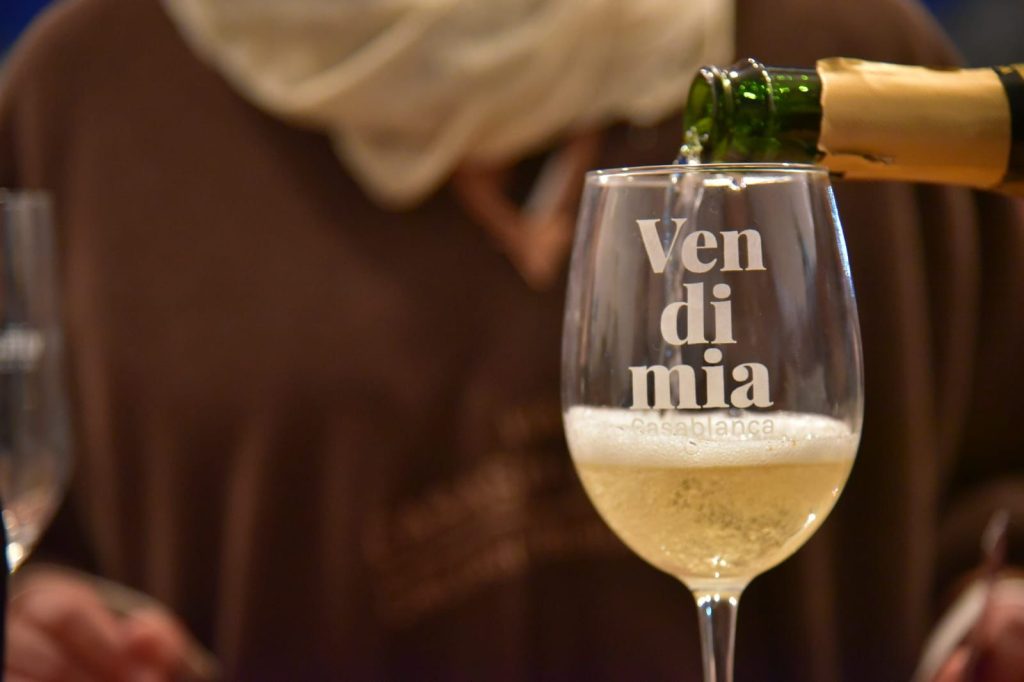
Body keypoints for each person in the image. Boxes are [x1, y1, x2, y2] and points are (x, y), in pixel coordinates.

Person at [1, 0, 1023, 680]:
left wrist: (995, 601)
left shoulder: (871, 71)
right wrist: (42, 617)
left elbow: (992, 474)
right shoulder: (80, 98)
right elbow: (31, 523)